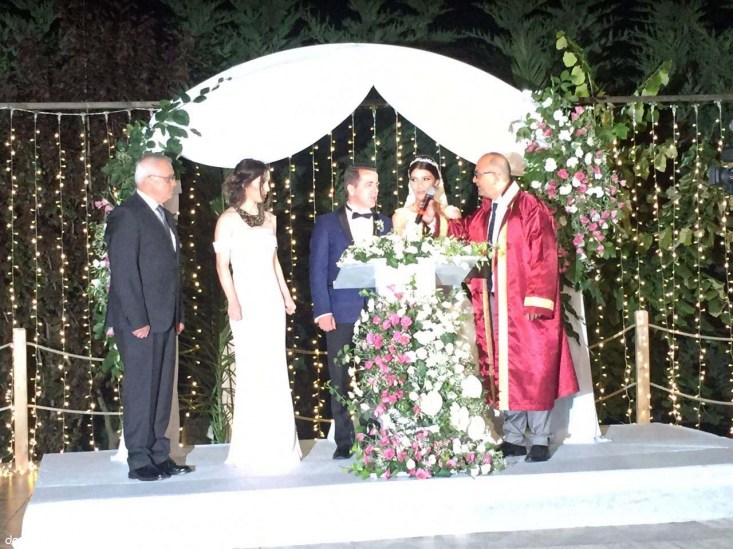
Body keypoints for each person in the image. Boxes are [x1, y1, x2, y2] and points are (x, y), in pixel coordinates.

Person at [427, 152, 579, 462]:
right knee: (504, 369)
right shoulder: (486, 214)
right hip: (495, 303)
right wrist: (435, 221)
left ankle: (540, 439)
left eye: (478, 175)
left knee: (534, 369)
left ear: (496, 176)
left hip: (526, 304)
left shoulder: (529, 207)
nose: (474, 181)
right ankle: (513, 436)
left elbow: (544, 254)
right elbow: (462, 234)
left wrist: (538, 300)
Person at [105, 154, 191, 481]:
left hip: (165, 318)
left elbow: (172, 271)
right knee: (142, 389)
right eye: (168, 178)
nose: (173, 183)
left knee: (161, 389)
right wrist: (138, 319)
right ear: (148, 180)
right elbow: (124, 272)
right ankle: (139, 459)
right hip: (139, 321)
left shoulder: (164, 216)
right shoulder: (127, 215)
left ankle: (159, 454)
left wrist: (178, 313)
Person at [213, 158, 301, 474]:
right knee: (252, 367)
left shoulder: (271, 219)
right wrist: (232, 301)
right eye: (262, 181)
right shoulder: (227, 220)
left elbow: (274, 262)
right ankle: (252, 446)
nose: (266, 187)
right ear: (247, 183)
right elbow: (223, 266)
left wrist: (286, 296)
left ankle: (280, 444)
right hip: (246, 301)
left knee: (274, 366)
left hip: (270, 301)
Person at [309, 165, 392, 459]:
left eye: (377, 184)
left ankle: (373, 435)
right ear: (351, 188)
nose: (375, 190)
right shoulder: (327, 223)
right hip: (340, 311)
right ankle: (344, 440)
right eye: (369, 184)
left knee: (375, 375)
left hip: (377, 312)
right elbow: (317, 269)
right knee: (340, 376)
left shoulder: (384, 223)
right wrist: (322, 310)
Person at [392, 156, 461, 239]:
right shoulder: (401, 216)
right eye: (414, 179)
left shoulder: (451, 213)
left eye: (425, 179)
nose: (419, 185)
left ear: (436, 182)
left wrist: (435, 219)